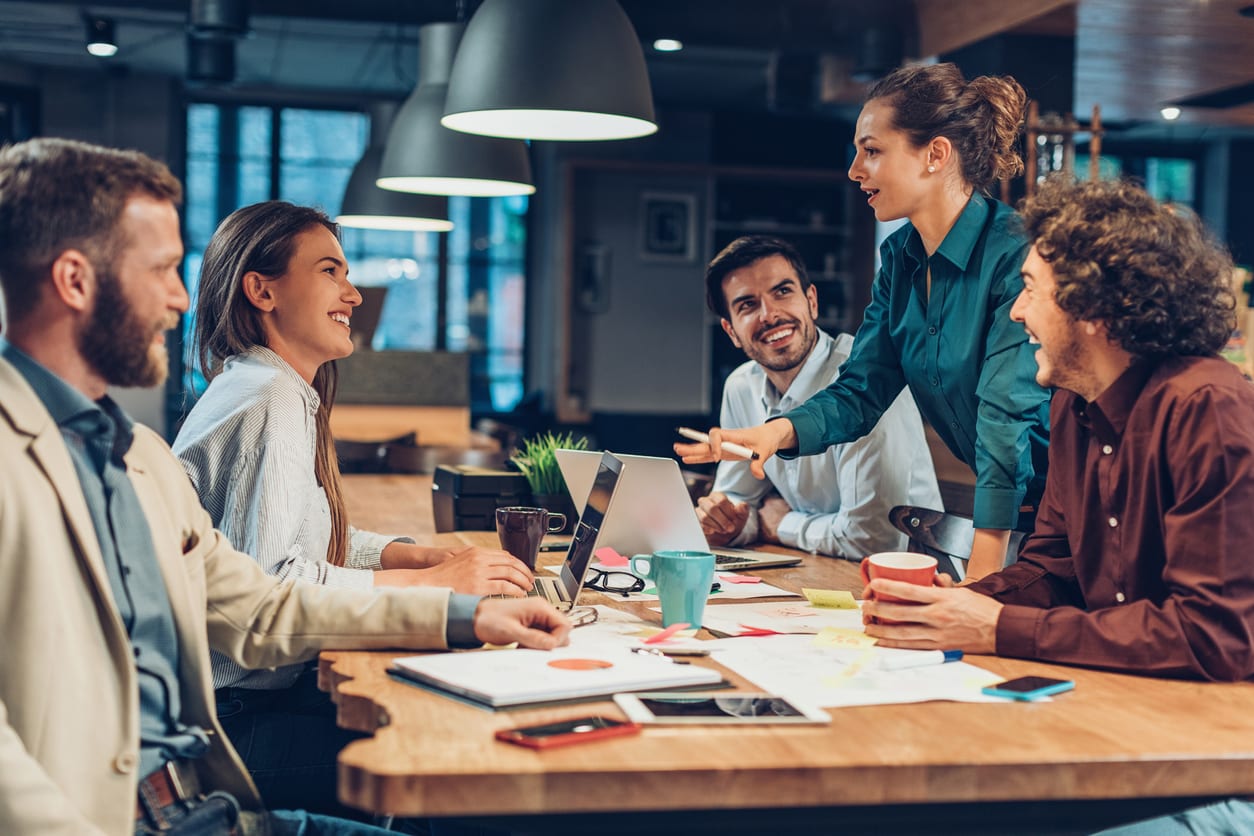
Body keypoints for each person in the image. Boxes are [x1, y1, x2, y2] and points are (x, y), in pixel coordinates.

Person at [0, 137, 570, 835]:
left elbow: (258, 606)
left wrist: (462, 614)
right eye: (161, 270)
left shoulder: (133, 456)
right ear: (75, 280)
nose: (181, 298)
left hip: (187, 792)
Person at [171, 201, 537, 816]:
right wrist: (436, 585)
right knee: (455, 748)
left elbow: (301, 537)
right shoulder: (269, 399)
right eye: (330, 271)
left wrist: (414, 554)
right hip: (229, 725)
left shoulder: (262, 384)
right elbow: (274, 584)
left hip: (236, 702)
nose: (355, 294)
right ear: (262, 290)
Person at [860, 177, 1254, 685]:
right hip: (1130, 695)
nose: (1017, 311)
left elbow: (1213, 638)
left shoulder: (1207, 409)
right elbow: (1054, 569)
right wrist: (962, 603)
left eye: (1028, 289)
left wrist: (997, 626)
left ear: (1092, 307)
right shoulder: (1073, 403)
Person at [677, 62, 1051, 581]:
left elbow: (1004, 420)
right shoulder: (900, 258)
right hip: (1027, 522)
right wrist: (776, 433)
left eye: (872, 151)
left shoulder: (1015, 252)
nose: (855, 170)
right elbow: (861, 388)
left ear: (935, 155)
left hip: (1078, 508)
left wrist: (982, 582)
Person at [697, 235, 942, 558]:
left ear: (812, 301)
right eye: (748, 305)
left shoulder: (868, 380)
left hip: (910, 581)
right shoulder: (741, 386)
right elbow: (738, 506)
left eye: (782, 292)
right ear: (731, 332)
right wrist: (728, 522)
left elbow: (874, 539)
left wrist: (782, 524)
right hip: (815, 570)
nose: (769, 315)